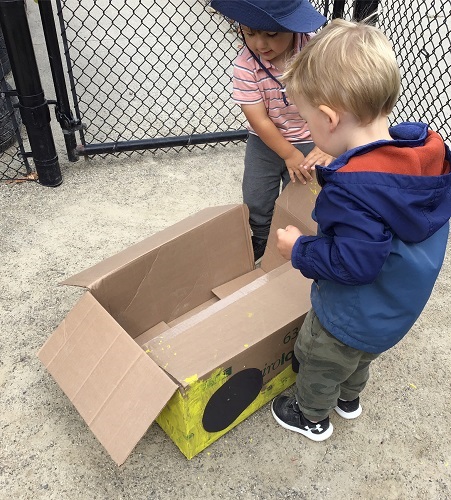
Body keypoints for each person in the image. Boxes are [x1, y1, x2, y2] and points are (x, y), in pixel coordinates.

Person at [272, 18, 451, 441]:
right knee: (360, 356)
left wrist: (299, 249)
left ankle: (311, 415)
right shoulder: (423, 155)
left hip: (350, 313)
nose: (308, 135)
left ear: (330, 118)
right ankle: (349, 399)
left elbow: (353, 264)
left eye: (307, 124)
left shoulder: (352, 192)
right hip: (394, 309)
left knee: (322, 358)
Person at [210, 0, 333, 261]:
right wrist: (288, 154)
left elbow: (333, 101)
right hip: (264, 142)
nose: (260, 44)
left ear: (293, 27)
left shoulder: (313, 53)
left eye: (271, 34)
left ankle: (295, 242)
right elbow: (259, 120)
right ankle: (263, 238)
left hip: (309, 139)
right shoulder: (246, 64)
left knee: (299, 197)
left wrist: (325, 147)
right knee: (256, 196)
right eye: (250, 32)